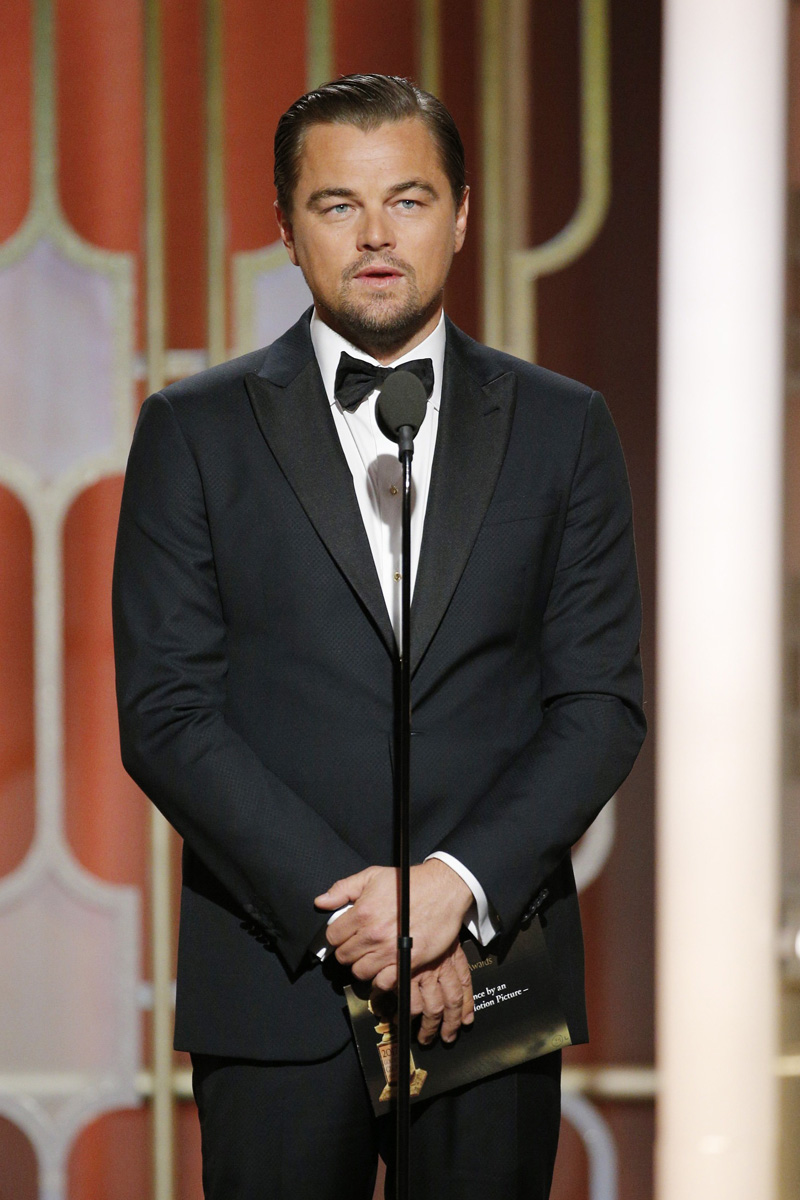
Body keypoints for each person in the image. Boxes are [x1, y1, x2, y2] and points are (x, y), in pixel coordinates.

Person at [112, 74, 645, 1200]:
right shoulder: (191, 431)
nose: (374, 238)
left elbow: (597, 703)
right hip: (278, 979)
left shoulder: (562, 427)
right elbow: (166, 715)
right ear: (286, 228)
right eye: (335, 206)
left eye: (405, 201)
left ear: (458, 215)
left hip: (489, 971)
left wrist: (455, 888)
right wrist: (365, 919)